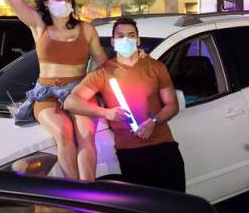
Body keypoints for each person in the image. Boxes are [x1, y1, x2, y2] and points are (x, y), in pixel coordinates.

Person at [0, 0, 108, 181]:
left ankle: (88, 191)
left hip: (79, 93)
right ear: (46, 2)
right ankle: (72, 193)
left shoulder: (86, 29)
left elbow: (103, 65)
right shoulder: (39, 26)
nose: (64, 3)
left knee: (86, 134)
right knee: (64, 133)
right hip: (45, 94)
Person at [64, 18, 186, 192]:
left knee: (178, 206)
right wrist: (106, 113)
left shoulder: (155, 67)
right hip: (130, 153)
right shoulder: (103, 73)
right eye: (120, 36)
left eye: (131, 35)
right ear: (113, 41)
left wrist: (153, 121)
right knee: (143, 211)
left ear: (138, 40)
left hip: (164, 148)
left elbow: (172, 105)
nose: (125, 40)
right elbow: (70, 102)